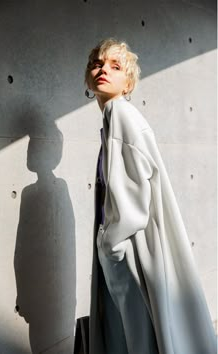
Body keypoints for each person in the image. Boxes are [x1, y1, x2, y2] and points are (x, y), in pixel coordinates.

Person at [84, 38, 216, 354]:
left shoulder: (120, 114)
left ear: (128, 82)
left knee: (137, 334)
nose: (104, 70)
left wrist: (110, 242)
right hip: (128, 246)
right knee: (139, 332)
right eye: (98, 64)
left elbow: (131, 191)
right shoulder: (115, 119)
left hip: (128, 248)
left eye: (115, 66)